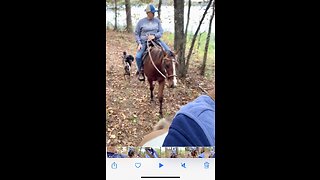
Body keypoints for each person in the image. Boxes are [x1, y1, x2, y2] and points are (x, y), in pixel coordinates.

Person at [134, 4, 172, 81]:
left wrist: (154, 36)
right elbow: (136, 33)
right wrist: (139, 43)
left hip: (156, 40)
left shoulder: (157, 21)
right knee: (138, 57)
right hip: (144, 41)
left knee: (169, 52)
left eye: (154, 13)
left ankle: (169, 70)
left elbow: (161, 31)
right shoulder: (141, 22)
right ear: (148, 13)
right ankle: (141, 71)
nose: (153, 14)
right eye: (152, 13)